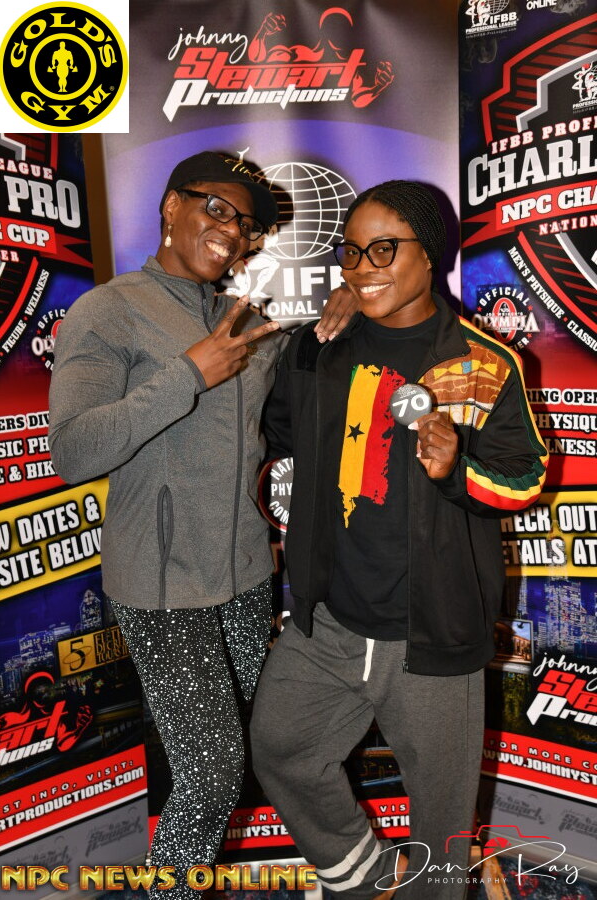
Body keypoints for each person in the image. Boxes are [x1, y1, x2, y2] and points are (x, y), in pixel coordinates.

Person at [48, 150, 351, 895]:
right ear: (170, 207)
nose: (232, 230)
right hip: (160, 587)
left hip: (244, 577)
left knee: (256, 746)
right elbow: (75, 451)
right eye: (216, 208)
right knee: (212, 774)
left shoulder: (237, 318)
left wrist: (345, 312)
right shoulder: (109, 310)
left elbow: (285, 404)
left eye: (245, 224)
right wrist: (187, 374)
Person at [251, 181, 548, 900]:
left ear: (429, 253)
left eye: (383, 249)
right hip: (329, 620)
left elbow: (525, 478)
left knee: (442, 825)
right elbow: (276, 436)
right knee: (281, 749)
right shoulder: (319, 349)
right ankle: (363, 874)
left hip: (431, 631)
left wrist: (458, 468)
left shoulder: (485, 363)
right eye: (351, 252)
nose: (362, 268)